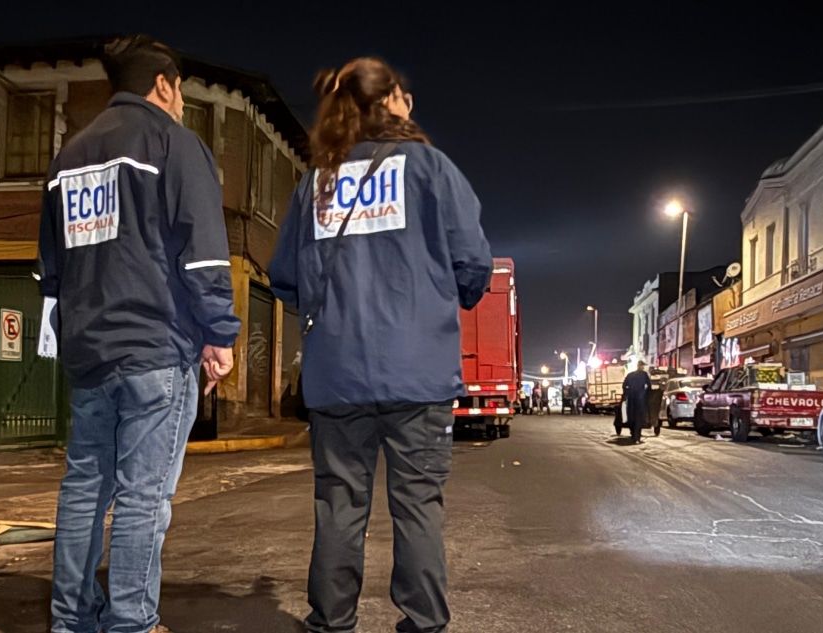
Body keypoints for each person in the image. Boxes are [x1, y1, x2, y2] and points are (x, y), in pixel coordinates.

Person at [270, 57, 492, 633]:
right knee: (417, 505)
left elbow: (285, 277)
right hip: (418, 373)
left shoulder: (315, 182)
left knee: (339, 506)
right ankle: (422, 623)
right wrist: (436, 300)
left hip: (337, 376)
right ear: (394, 100)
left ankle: (331, 621)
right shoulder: (431, 170)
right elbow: (473, 266)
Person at [37, 35, 240, 633]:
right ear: (164, 84)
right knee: (143, 496)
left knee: (84, 490)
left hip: (89, 350)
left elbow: (52, 266)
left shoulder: (69, 155)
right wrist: (220, 333)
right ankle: (133, 621)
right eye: (181, 93)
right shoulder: (173, 143)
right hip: (155, 346)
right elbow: (201, 254)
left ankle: (71, 620)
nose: (181, 103)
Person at [622, 361, 652, 443]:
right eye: (642, 366)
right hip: (640, 399)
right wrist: (646, 395)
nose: (642, 367)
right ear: (640, 366)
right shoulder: (644, 374)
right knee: (639, 418)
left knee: (631, 417)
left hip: (631, 399)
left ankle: (633, 434)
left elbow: (624, 385)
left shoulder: (630, 375)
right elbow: (649, 386)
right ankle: (637, 436)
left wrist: (627, 393)